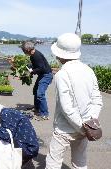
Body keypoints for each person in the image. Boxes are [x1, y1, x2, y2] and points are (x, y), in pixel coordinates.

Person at [45, 33, 103, 169]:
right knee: (80, 162)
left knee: (53, 162)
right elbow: (97, 99)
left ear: (59, 54)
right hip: (86, 126)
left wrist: (82, 126)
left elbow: (67, 108)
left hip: (64, 128)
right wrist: (90, 123)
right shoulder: (89, 70)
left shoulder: (61, 74)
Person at [0, 98, 39, 166]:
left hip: (28, 148)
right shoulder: (7, 112)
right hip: (30, 144)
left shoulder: (5, 115)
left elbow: (6, 135)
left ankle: (0, 162)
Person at [20, 41, 53, 120]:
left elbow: (41, 68)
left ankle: (45, 114)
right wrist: (29, 67)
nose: (24, 52)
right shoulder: (32, 56)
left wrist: (32, 71)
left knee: (40, 94)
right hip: (42, 75)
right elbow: (36, 65)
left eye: (24, 51)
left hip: (46, 75)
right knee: (35, 91)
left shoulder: (36, 55)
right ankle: (37, 108)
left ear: (28, 49)